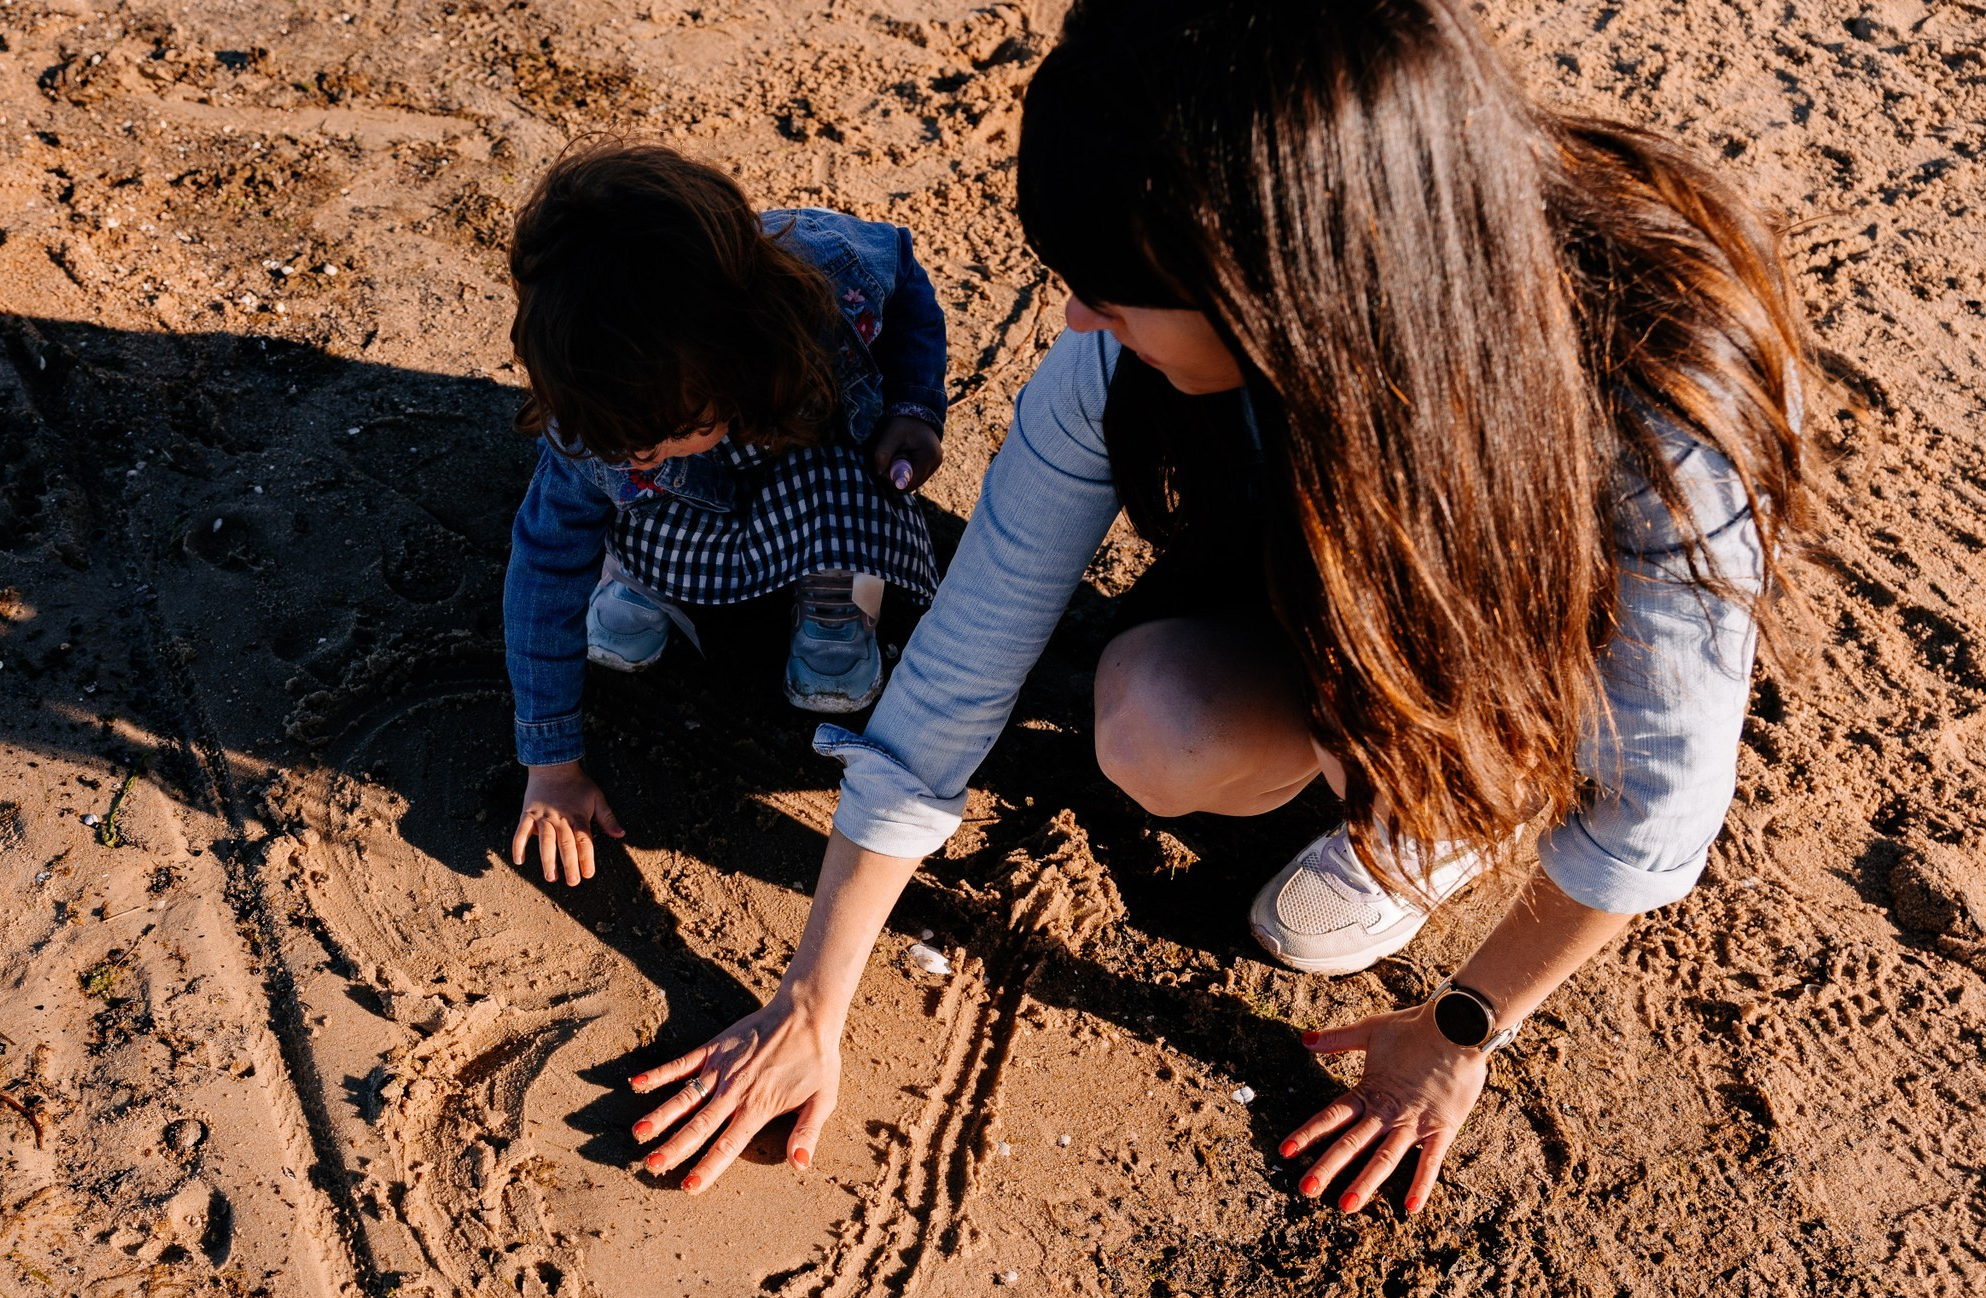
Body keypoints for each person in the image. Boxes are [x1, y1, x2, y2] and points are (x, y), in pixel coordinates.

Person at [623, 0, 1810, 1212]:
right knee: (1155, 724)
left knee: (1380, 784)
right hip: (1325, 577)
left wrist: (1462, 1025)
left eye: (1112, 292)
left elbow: (1658, 802)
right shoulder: (1131, 345)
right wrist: (811, 999)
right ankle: (1380, 745)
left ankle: (1453, 788)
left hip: (1508, 628)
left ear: (1269, 280)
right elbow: (965, 654)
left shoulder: (1661, 407)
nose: (1077, 320)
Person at [501, 141, 951, 885]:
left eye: (672, 427)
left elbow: (907, 282)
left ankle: (834, 582)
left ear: (732, 345)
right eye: (621, 440)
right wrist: (550, 765)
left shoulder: (825, 281)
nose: (640, 452)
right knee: (628, 486)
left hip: (803, 446)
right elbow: (545, 567)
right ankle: (640, 571)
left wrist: (914, 406)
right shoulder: (596, 417)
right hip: (682, 511)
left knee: (849, 465)